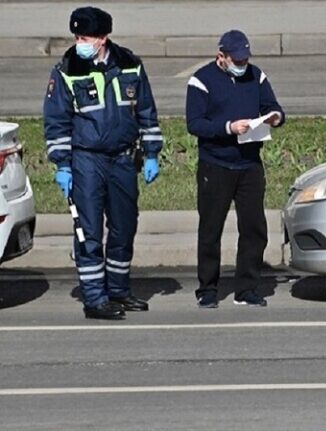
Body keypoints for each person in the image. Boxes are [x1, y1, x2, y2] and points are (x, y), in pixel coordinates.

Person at [44, 7, 163, 320]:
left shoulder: (130, 65)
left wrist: (151, 153)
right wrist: (63, 164)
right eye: (77, 36)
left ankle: (119, 290)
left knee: (124, 228)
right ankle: (95, 298)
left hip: (123, 159)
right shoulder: (67, 69)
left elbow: (147, 111)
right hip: (87, 161)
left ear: (103, 38)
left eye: (85, 37)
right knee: (89, 231)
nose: (79, 42)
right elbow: (56, 120)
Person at [186, 30, 285, 308]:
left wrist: (276, 116)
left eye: (245, 60)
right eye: (236, 60)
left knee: (254, 228)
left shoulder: (257, 76)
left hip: (250, 164)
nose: (242, 65)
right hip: (215, 165)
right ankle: (207, 288)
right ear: (222, 56)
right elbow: (195, 123)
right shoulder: (201, 81)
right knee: (210, 229)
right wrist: (228, 128)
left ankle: (247, 288)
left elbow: (272, 105)